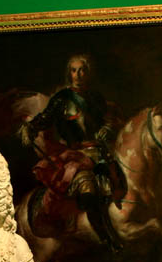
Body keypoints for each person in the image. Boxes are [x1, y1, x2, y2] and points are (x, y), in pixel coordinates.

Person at [21, 53, 125, 251]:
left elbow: (108, 120)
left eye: (82, 70)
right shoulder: (62, 99)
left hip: (102, 152)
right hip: (77, 155)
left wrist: (107, 128)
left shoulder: (96, 97)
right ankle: (106, 239)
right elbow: (45, 118)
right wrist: (30, 128)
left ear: (88, 73)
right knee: (88, 190)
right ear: (69, 73)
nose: (78, 74)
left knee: (121, 181)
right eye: (74, 70)